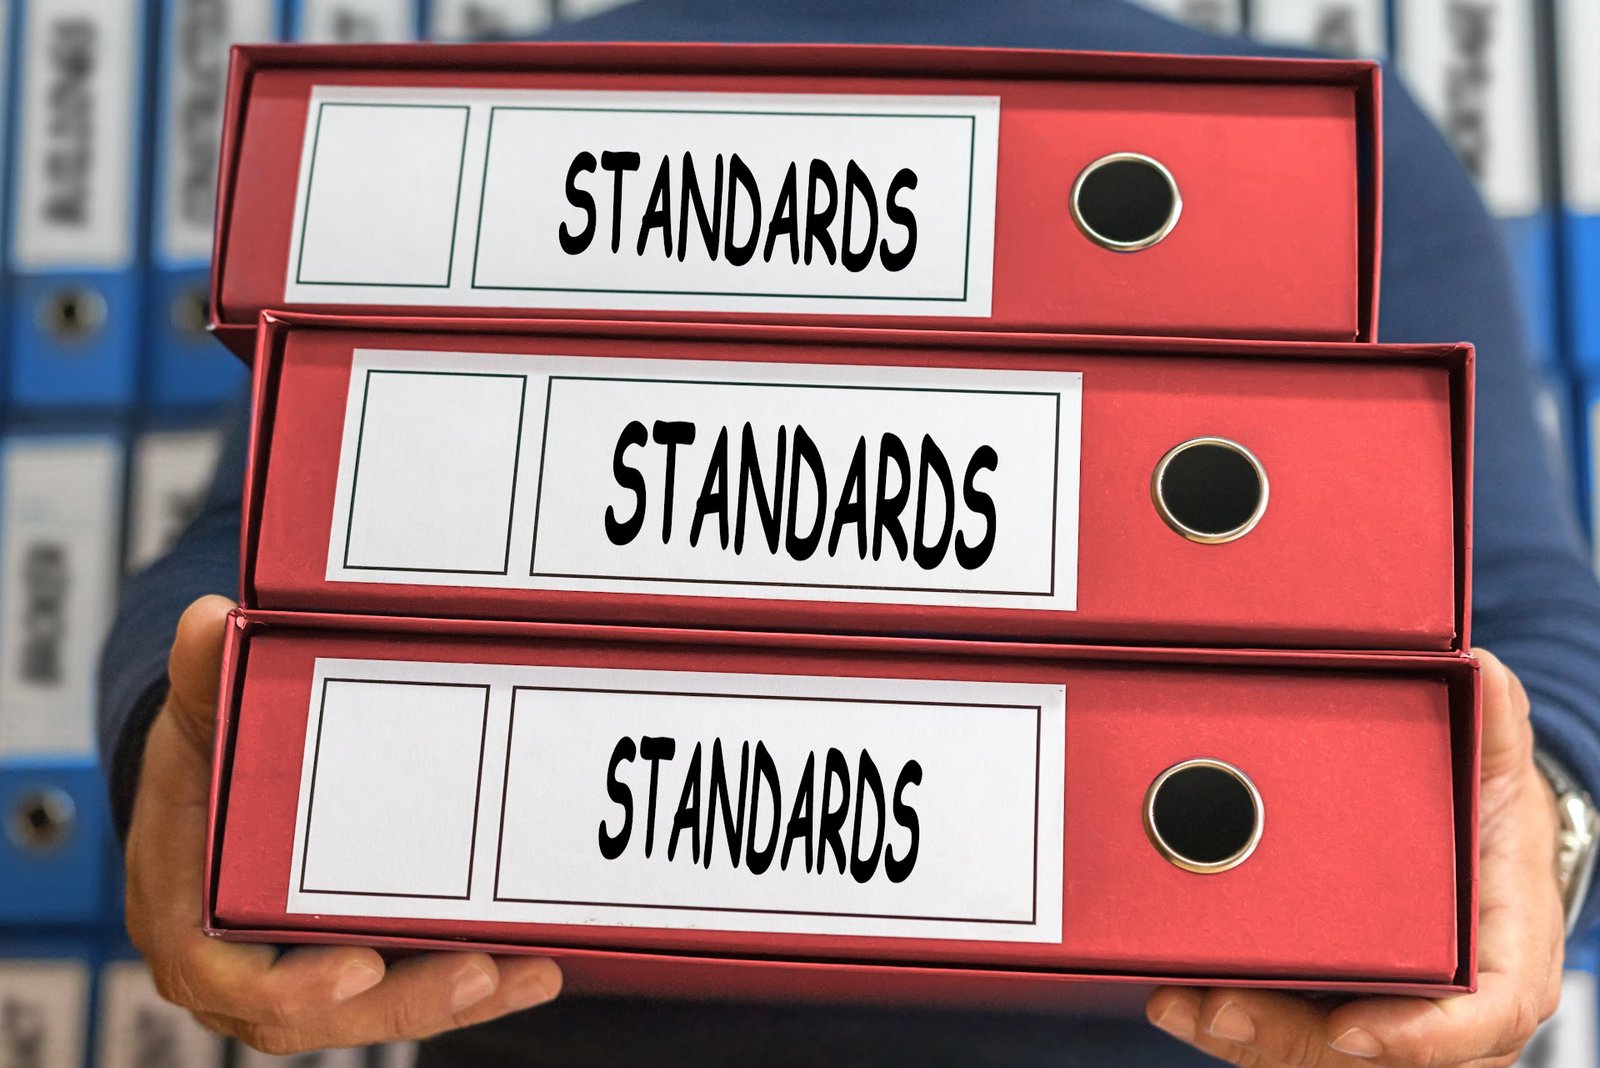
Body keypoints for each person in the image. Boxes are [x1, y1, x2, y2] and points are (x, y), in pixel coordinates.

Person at [99, 1, 1600, 1064]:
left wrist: (1542, 821)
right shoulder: (454, 142)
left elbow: (1524, 624)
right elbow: (243, 563)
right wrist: (173, 749)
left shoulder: (1335, 149)